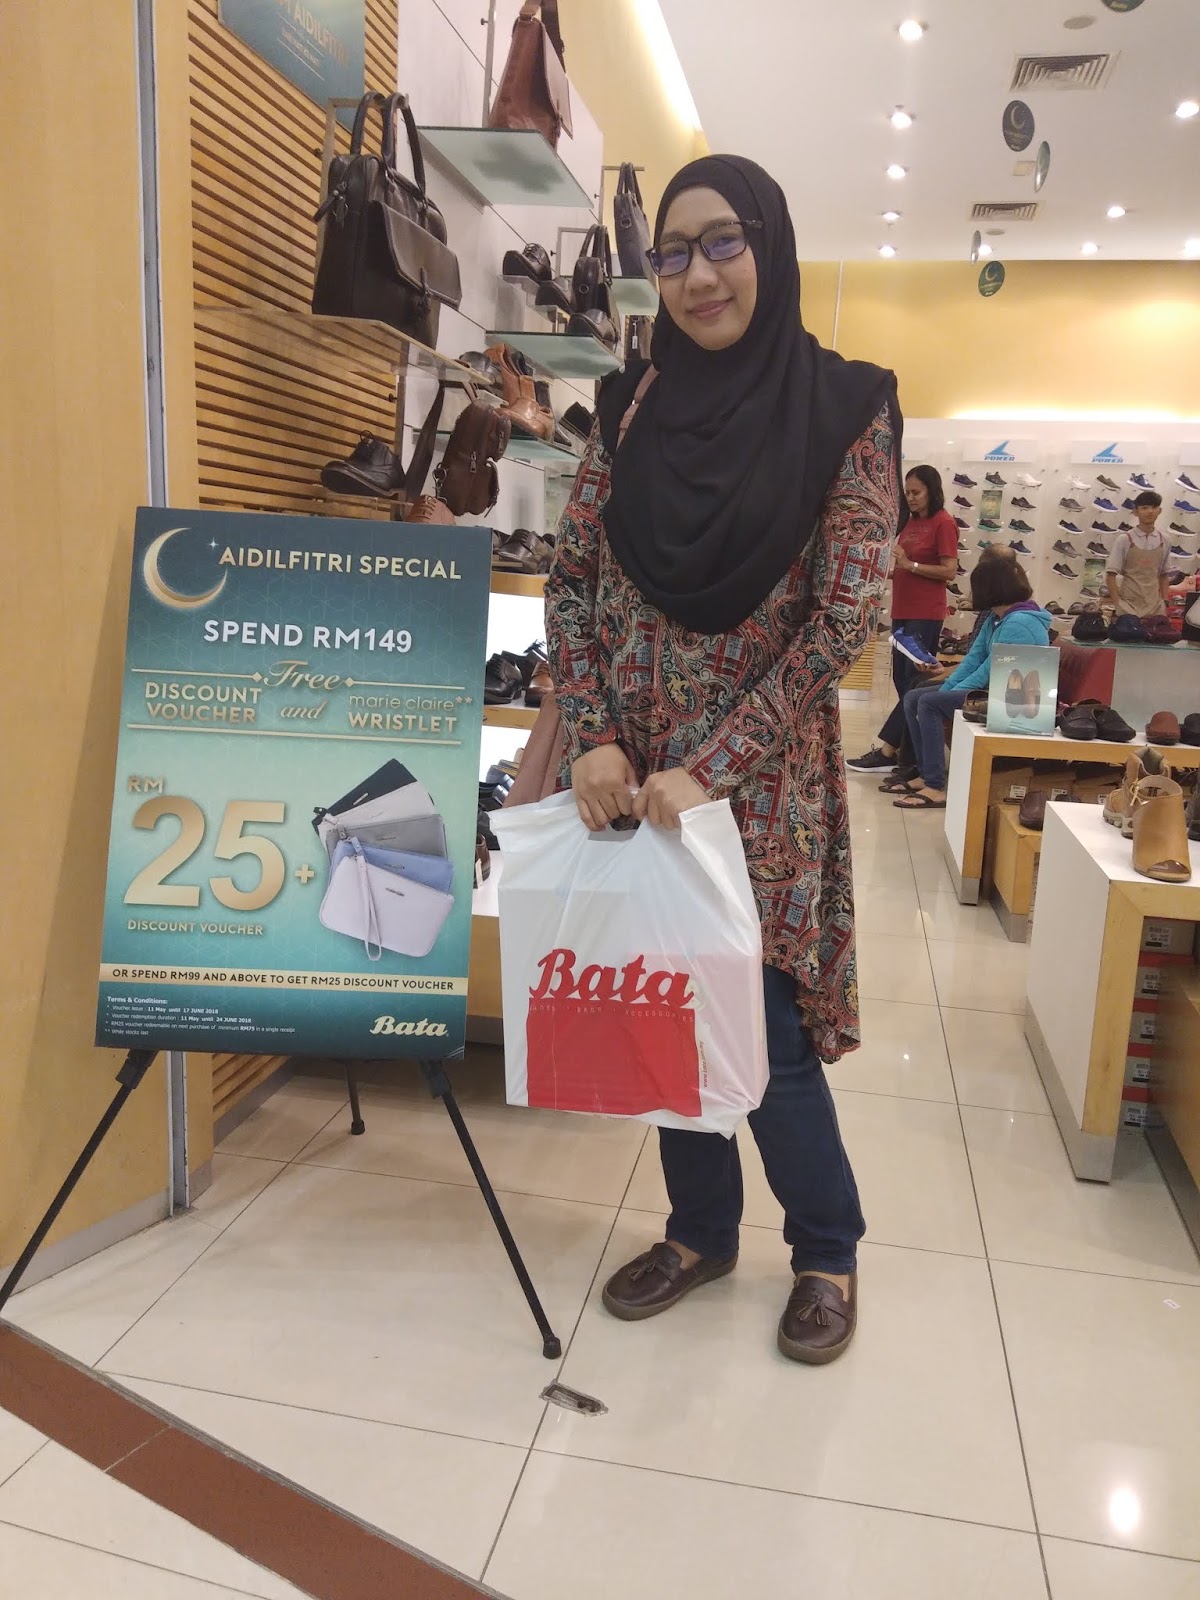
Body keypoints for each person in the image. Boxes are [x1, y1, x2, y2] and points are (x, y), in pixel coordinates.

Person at [543, 154, 902, 1363]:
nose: (698, 275)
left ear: (770, 247)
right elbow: (572, 578)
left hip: (759, 788)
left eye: (724, 242)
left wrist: (717, 762)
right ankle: (699, 1230)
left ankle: (827, 1248)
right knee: (664, 1016)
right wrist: (595, 731)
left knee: (768, 1034)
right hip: (634, 777)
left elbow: (844, 616)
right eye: (674, 251)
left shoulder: (845, 408)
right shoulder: (630, 403)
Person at [893, 558, 1050, 810]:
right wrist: (948, 688)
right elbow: (973, 660)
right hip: (997, 689)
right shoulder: (998, 618)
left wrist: (947, 693)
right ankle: (926, 774)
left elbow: (989, 671)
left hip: (1014, 699)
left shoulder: (1019, 622)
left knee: (929, 702)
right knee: (915, 697)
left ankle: (935, 786)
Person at [846, 464, 958, 774]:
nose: (910, 498)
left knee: (913, 683)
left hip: (925, 613)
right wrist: (887, 571)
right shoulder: (910, 522)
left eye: (916, 492)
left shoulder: (944, 522)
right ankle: (906, 755)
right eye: (907, 492)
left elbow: (949, 571)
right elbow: (905, 566)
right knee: (901, 681)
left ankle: (891, 751)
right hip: (902, 611)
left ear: (932, 491)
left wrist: (910, 565)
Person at [1106, 491, 1170, 616]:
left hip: (1156, 607)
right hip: (1128, 606)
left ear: (1160, 511)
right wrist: (1118, 603)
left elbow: (1164, 575)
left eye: (1154, 507)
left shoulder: (1165, 540)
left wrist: (1165, 601)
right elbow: (1110, 575)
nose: (1150, 511)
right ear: (1135, 512)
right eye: (1144, 508)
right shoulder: (1125, 539)